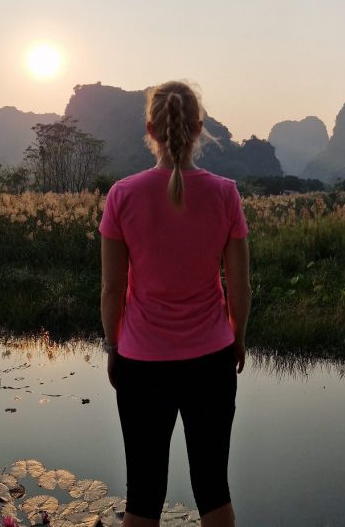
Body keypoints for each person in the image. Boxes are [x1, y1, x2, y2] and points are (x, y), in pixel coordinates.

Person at [99, 80, 251, 527]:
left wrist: (113, 348)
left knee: (142, 497)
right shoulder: (225, 193)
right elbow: (239, 285)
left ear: (150, 129)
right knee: (213, 492)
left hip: (142, 364)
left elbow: (111, 289)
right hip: (212, 360)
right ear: (199, 129)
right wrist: (236, 337)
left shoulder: (122, 195)